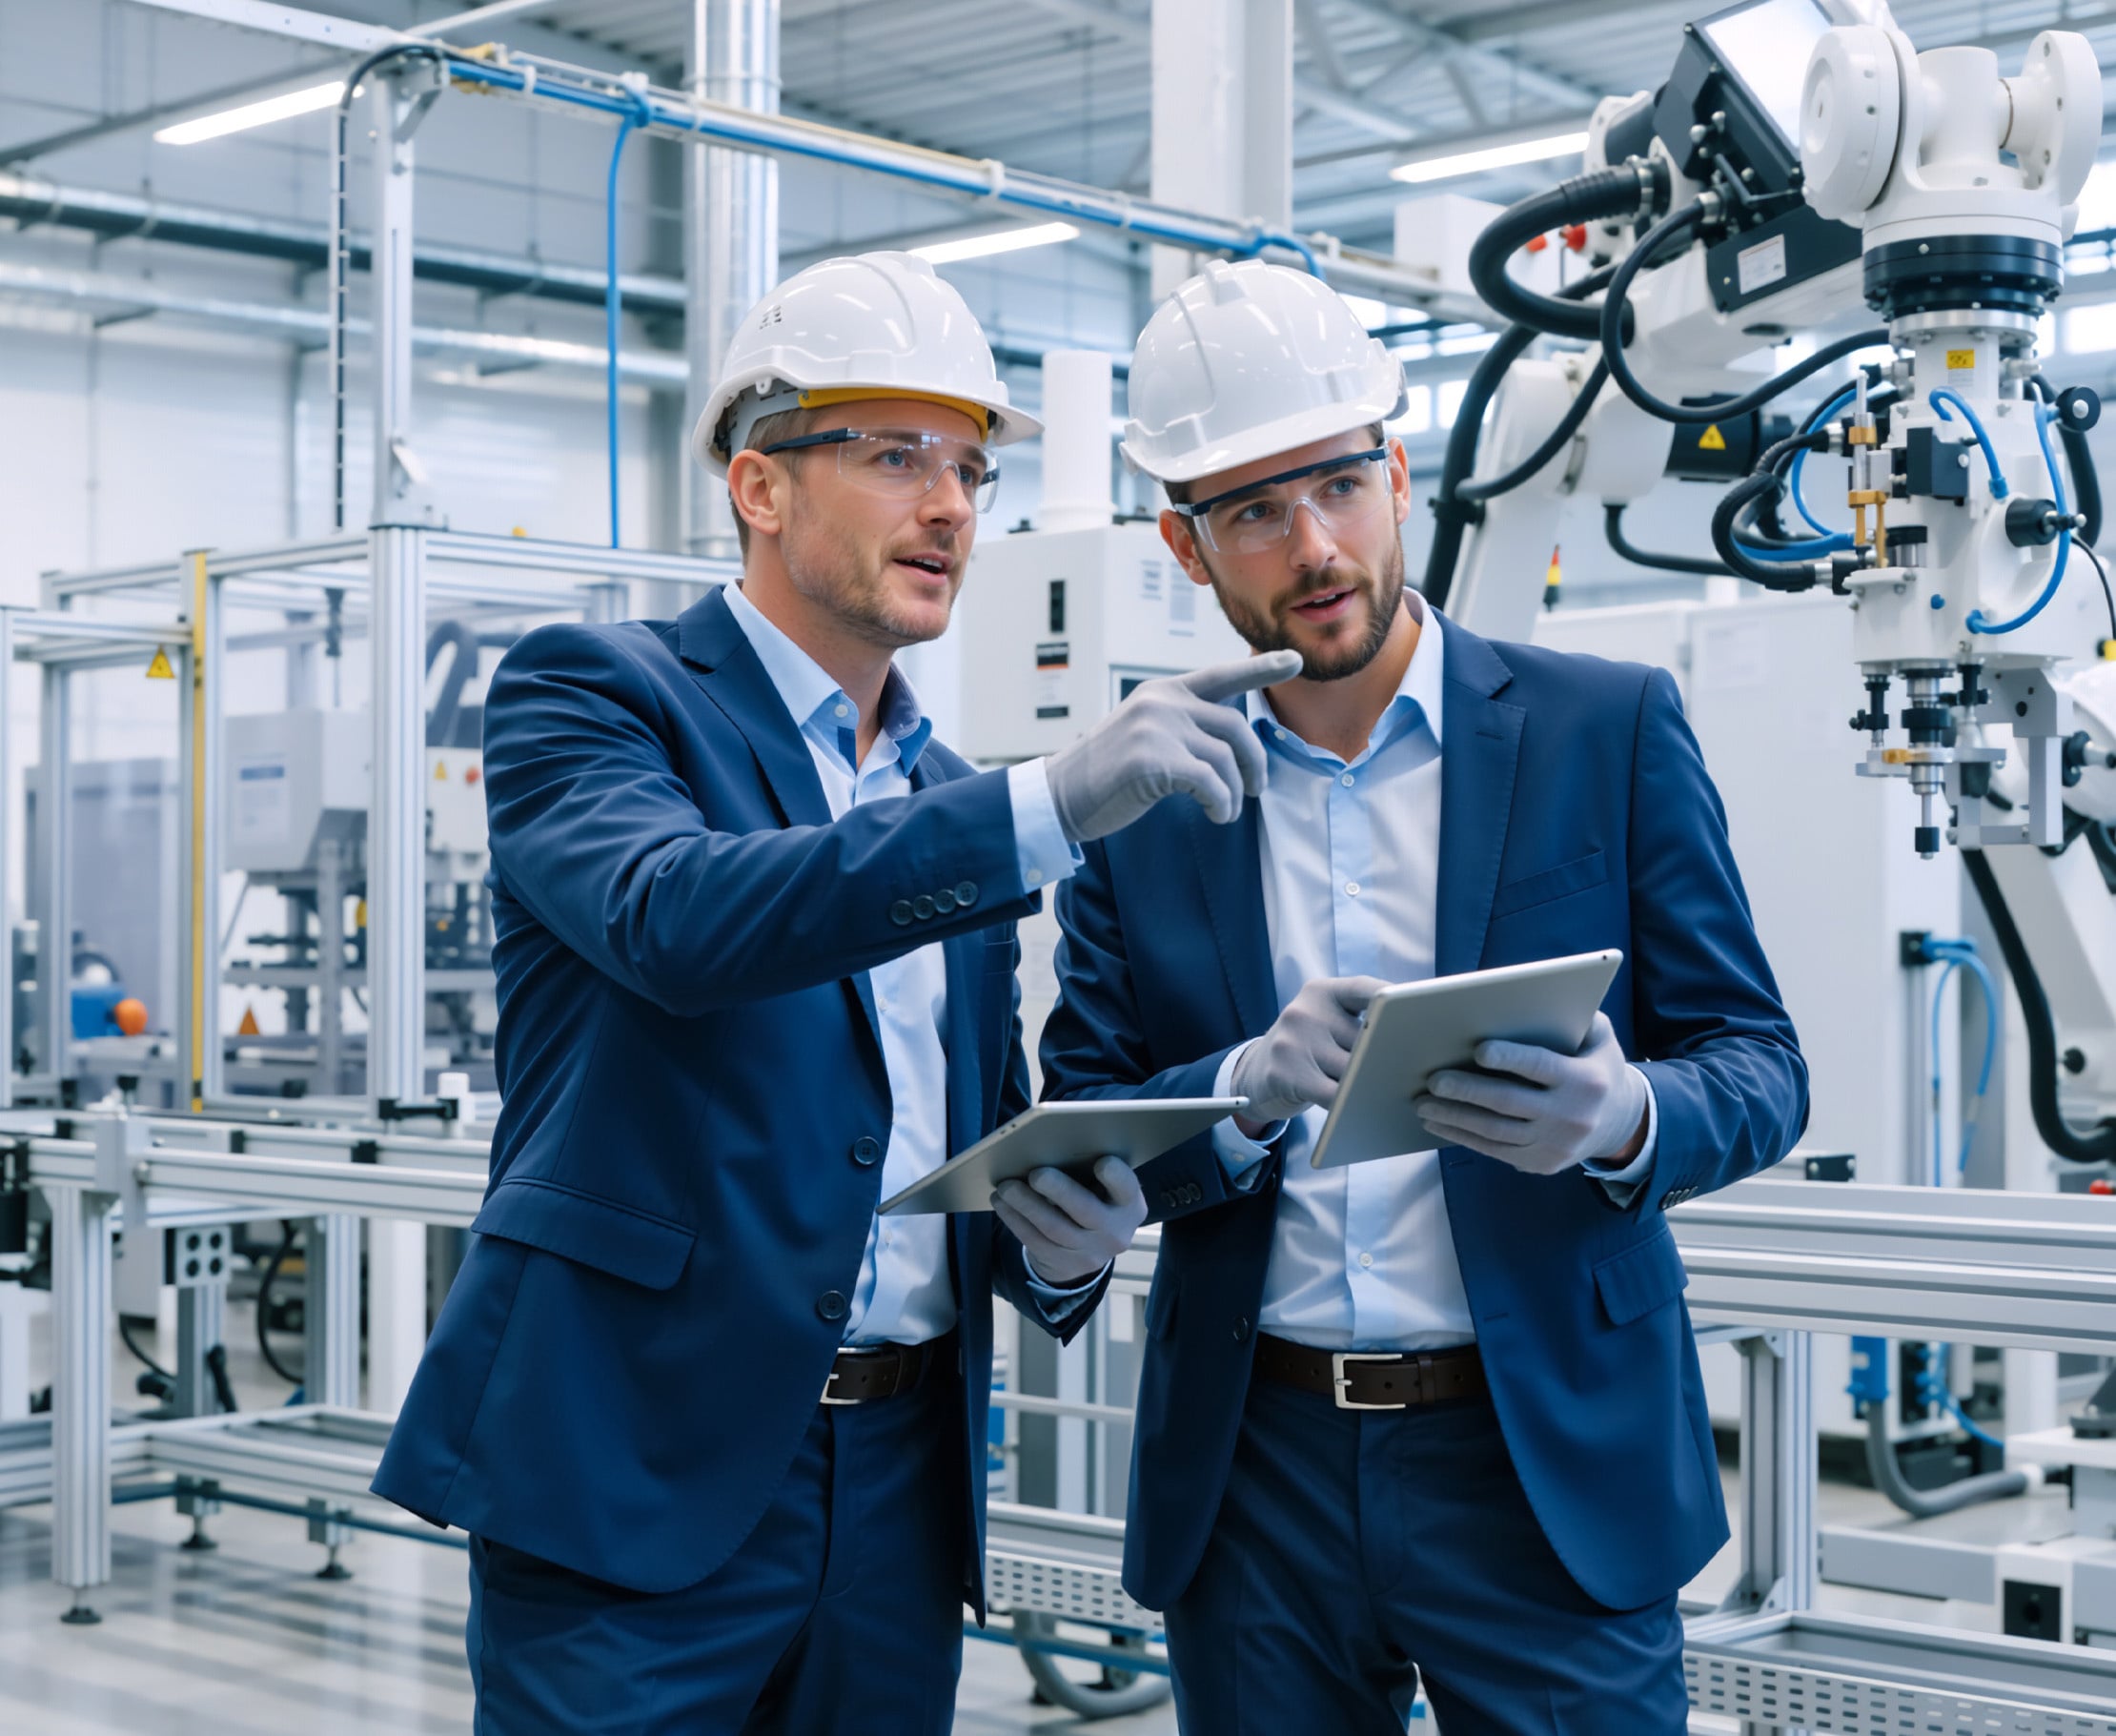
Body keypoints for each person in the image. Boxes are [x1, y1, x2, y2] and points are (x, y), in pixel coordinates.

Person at [371, 251, 1293, 1735]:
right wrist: (1045, 802)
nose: (950, 507)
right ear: (759, 486)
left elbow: (959, 1139)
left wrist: (1105, 1205)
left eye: (973, 472)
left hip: (899, 1492)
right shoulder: (598, 696)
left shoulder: (942, 795)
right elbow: (676, 918)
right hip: (635, 1468)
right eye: (894, 456)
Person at [1038, 257, 1810, 1734]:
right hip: (1254, 1465)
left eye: (1337, 484)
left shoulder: (1606, 729)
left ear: (1397, 472)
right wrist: (1242, 1096)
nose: (1313, 543)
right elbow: (1092, 1116)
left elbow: (1760, 1061)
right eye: (1254, 510)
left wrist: (1627, 1113)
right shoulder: (1141, 797)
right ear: (1185, 548)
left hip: (1539, 1462)